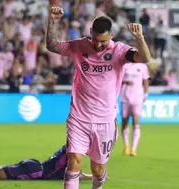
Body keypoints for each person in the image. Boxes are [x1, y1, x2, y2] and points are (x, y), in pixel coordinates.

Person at [46, 6, 151, 189]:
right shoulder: (79, 46)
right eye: (95, 39)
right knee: (74, 161)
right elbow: (52, 45)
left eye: (102, 41)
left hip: (105, 121)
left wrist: (140, 38)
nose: (97, 45)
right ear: (90, 33)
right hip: (79, 118)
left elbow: (144, 58)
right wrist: (53, 21)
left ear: (111, 35)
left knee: (98, 168)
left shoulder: (120, 51)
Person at [120, 62, 149, 157]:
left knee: (136, 122)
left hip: (137, 98)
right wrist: (125, 82)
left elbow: (145, 81)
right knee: (125, 122)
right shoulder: (124, 65)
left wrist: (145, 94)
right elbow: (117, 79)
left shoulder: (143, 66)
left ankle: (133, 149)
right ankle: (126, 145)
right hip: (125, 97)